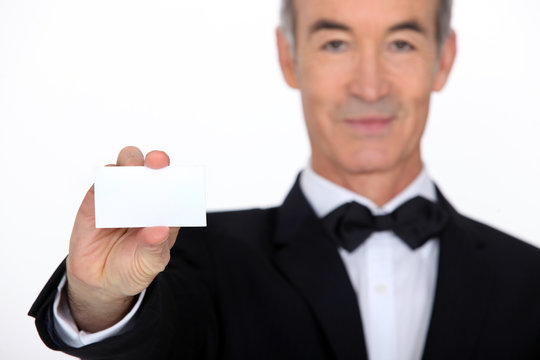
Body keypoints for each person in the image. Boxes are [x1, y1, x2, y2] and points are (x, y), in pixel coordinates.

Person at [29, 0, 540, 359]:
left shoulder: (531, 278)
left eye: (401, 43)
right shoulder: (193, 257)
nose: (369, 85)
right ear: (287, 57)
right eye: (336, 42)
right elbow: (157, 337)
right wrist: (101, 300)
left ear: (443, 58)